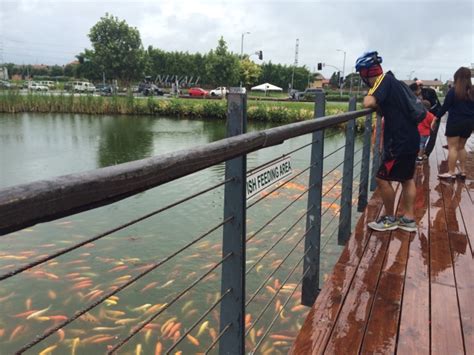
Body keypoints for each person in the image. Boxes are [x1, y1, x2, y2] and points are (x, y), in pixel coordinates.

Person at [356, 51, 419, 232]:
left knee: (381, 178)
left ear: (365, 73)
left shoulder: (382, 82)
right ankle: (408, 219)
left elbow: (368, 102)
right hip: (411, 137)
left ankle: (390, 219)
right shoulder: (394, 82)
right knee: (407, 179)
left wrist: (371, 98)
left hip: (399, 141)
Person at [436, 67, 474, 179]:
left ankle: (451, 172)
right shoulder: (473, 92)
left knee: (453, 148)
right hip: (469, 123)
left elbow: (445, 107)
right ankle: (462, 171)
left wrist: (436, 118)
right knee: (462, 147)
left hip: (455, 122)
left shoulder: (454, 91)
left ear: (457, 77)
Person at [409, 83, 436, 162]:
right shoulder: (431, 115)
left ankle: (415, 155)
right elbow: (433, 123)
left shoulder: (419, 113)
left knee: (416, 144)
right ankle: (420, 157)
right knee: (422, 145)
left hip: (418, 131)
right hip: (426, 133)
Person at [416, 79, 442, 156]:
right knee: (424, 135)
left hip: (435, 114)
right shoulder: (418, 94)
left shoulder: (429, 92)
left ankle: (426, 153)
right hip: (427, 114)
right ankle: (421, 152)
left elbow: (435, 105)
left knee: (432, 135)